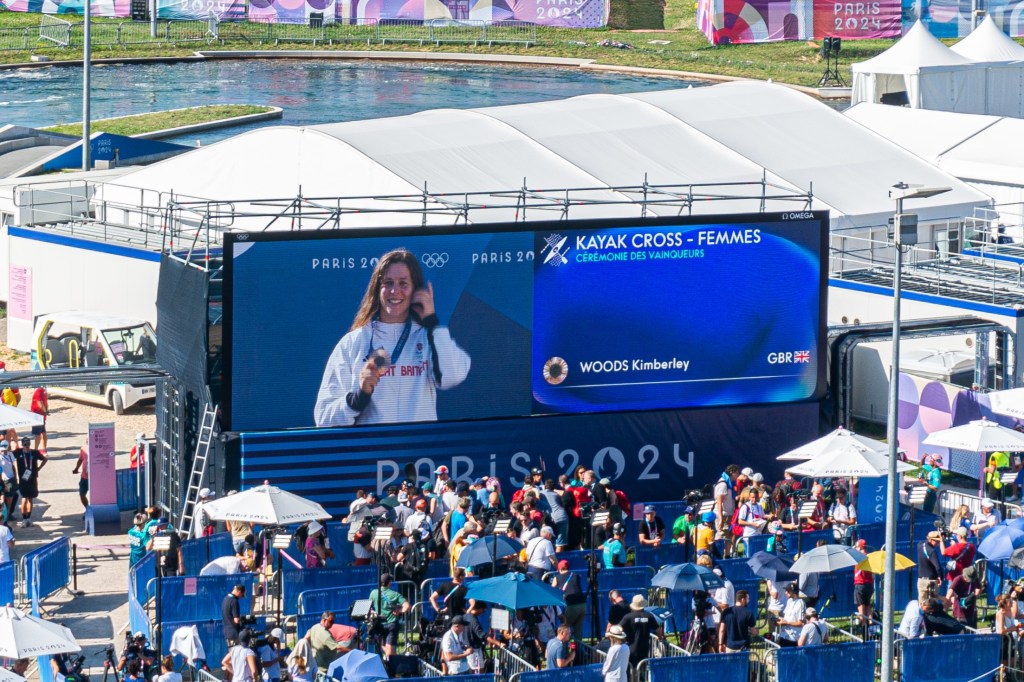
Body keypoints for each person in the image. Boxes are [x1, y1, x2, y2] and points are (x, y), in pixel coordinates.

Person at [314, 249, 472, 427]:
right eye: (388, 283)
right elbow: (324, 418)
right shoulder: (353, 343)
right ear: (377, 289)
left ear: (415, 290)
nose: (394, 290)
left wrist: (432, 322)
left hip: (419, 452)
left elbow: (452, 376)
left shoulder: (429, 339)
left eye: (403, 283)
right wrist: (358, 396)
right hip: (370, 452)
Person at [368, 572, 409, 656]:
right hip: (392, 624)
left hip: (379, 624)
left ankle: (389, 662)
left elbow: (368, 608)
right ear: (389, 583)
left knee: (384, 647)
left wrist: (372, 612)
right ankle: (391, 664)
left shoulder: (373, 593)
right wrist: (399, 611)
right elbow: (407, 606)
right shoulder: (395, 594)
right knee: (389, 649)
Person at [618, 594, 660, 666]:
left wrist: (622, 639)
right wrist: (660, 637)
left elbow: (618, 629)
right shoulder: (649, 616)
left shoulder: (628, 617)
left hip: (630, 648)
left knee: (630, 669)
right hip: (644, 649)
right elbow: (659, 630)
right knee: (642, 669)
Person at [15, 436, 46, 527]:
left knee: (31, 498)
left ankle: (28, 517)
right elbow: (8, 456)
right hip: (23, 479)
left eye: (28, 444)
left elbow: (45, 459)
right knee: (24, 498)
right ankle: (24, 519)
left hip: (32, 479)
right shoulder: (18, 452)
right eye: (25, 445)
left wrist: (39, 468)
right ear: (22, 445)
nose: (26, 446)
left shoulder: (34, 452)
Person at [551, 559, 585, 640]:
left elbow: (551, 590)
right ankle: (579, 651)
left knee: (564, 629)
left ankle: (563, 649)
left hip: (572, 605)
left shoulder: (557, 577)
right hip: (583, 605)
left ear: (560, 569)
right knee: (578, 632)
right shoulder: (576, 576)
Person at [714, 465, 740, 554]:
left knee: (729, 536)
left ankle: (727, 555)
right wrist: (720, 518)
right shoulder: (723, 484)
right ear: (732, 472)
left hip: (729, 515)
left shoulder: (729, 484)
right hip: (723, 516)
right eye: (737, 473)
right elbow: (719, 502)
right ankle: (718, 557)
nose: (738, 475)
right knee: (721, 536)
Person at [947, 564, 982, 628]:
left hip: (971, 610)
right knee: (961, 631)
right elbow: (950, 590)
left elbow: (979, 587)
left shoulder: (974, 578)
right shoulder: (958, 579)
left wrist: (975, 596)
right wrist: (946, 601)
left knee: (972, 631)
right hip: (959, 611)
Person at [917, 530, 944, 603]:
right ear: (930, 540)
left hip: (921, 580)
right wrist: (941, 577)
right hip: (931, 581)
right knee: (932, 604)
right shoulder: (931, 551)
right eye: (936, 541)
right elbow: (937, 566)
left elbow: (922, 542)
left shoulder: (920, 545)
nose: (938, 543)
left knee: (922, 604)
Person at [853, 539, 874, 624]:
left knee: (861, 607)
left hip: (860, 584)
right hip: (869, 584)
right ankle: (871, 626)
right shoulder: (869, 557)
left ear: (860, 547)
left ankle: (863, 627)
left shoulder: (857, 557)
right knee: (868, 606)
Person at [222, 584, 246, 648]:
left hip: (227, 631)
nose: (241, 597)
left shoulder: (225, 598)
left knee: (231, 652)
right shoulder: (234, 601)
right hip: (234, 632)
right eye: (241, 595)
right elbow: (236, 620)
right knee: (234, 653)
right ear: (239, 592)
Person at [0, 441, 17, 525]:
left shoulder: (10, 454)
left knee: (13, 497)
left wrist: (16, 476)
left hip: (12, 478)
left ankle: (8, 514)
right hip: (5, 480)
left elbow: (13, 465)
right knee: (6, 500)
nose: (3, 451)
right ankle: (5, 518)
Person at [29, 387, 48, 451]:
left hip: (37, 415)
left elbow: (39, 402)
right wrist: (46, 411)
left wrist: (45, 411)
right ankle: (44, 449)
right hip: (42, 415)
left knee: (37, 435)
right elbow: (45, 402)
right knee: (43, 433)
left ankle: (35, 450)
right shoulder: (44, 390)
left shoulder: (38, 390)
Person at [72, 445, 89, 511]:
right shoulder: (83, 448)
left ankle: (89, 509)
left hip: (92, 477)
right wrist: (76, 469)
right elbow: (80, 460)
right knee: (82, 494)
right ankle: (88, 509)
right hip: (85, 477)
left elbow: (80, 460)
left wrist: (76, 469)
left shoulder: (84, 448)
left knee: (82, 494)